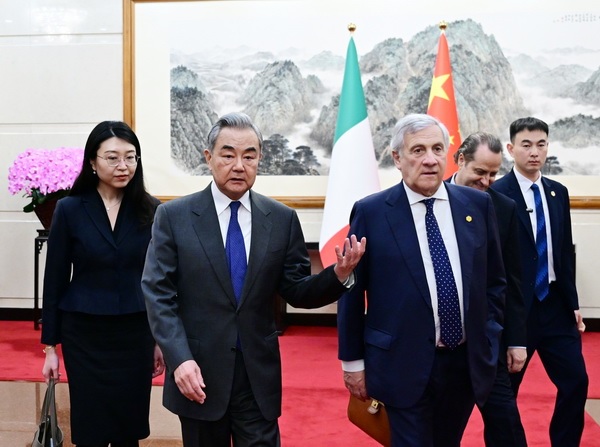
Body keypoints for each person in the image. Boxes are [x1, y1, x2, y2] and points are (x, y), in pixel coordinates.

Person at [141, 112, 365, 447]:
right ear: (208, 157)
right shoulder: (174, 217)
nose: (238, 166)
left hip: (256, 375)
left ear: (260, 159)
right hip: (198, 371)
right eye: (228, 155)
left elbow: (297, 290)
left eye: (249, 156)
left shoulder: (281, 219)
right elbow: (158, 293)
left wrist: (338, 275)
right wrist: (179, 358)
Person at [337, 113, 506, 447]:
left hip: (463, 364)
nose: (430, 160)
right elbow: (351, 290)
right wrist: (352, 362)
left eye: (437, 149)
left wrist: (489, 337)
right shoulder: (371, 212)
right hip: (400, 363)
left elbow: (494, 282)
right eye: (418, 150)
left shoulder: (477, 205)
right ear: (397, 158)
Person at [41, 121, 165, 447]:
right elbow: (55, 279)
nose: (123, 165)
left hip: (135, 333)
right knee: (90, 428)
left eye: (130, 157)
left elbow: (161, 280)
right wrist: (50, 348)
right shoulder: (69, 209)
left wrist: (160, 340)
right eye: (112, 157)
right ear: (93, 162)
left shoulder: (152, 210)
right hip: (84, 333)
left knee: (128, 428)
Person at [491, 117, 588, 446]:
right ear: (511, 149)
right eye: (526, 145)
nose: (534, 152)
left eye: (541, 145)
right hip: (516, 310)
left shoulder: (558, 192)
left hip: (556, 306)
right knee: (506, 395)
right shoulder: (496, 194)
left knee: (576, 382)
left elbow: (563, 251)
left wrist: (573, 303)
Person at [450, 132, 528, 446]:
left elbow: (513, 278)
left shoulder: (504, 207)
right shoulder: (431, 199)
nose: (486, 181)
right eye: (480, 172)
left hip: (486, 338)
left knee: (505, 423)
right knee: (442, 429)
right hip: (439, 346)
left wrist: (516, 340)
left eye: (493, 174)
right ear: (460, 160)